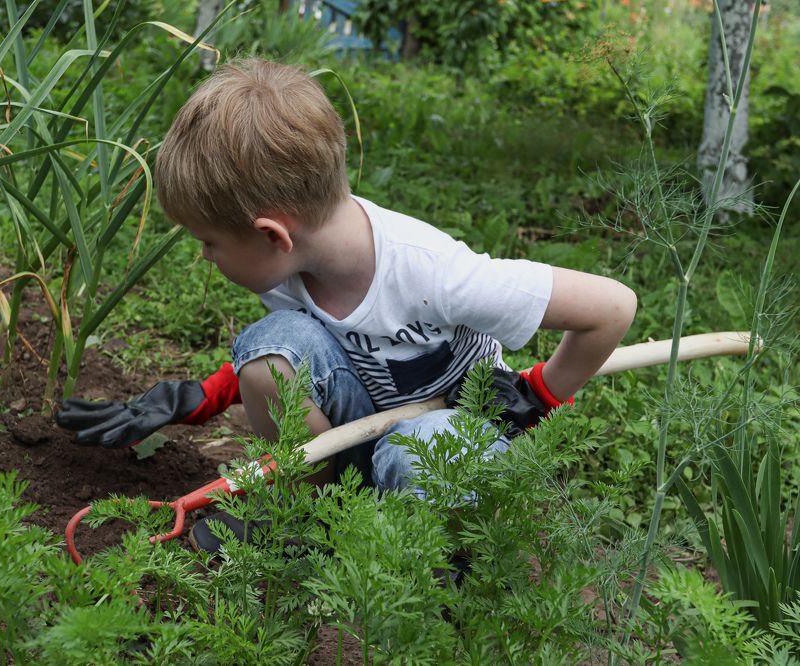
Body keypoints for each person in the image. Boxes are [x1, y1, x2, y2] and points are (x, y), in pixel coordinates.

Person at [57, 58, 637, 552]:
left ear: (272, 234)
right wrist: (201, 397)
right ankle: (305, 516)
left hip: (448, 439)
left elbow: (612, 308)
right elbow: (301, 353)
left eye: (208, 241)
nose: (203, 256)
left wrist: (537, 395)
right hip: (360, 430)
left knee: (423, 456)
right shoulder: (288, 262)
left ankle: (443, 559)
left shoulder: (435, 273)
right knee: (268, 348)